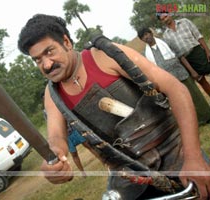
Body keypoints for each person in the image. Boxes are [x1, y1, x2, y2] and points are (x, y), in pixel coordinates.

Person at [17, 14, 210, 199]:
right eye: (37, 60)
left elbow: (176, 89)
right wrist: (54, 162)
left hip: (176, 153)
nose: (46, 64)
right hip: (131, 180)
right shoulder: (53, 96)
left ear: (66, 42)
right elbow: (57, 138)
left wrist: (193, 157)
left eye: (49, 52)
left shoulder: (105, 56)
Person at [137, 27, 210, 125]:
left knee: (195, 95)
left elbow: (181, 56)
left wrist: (192, 71)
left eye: (146, 34)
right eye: (143, 37)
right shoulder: (145, 54)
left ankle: (207, 116)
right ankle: (195, 122)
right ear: (142, 40)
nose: (146, 37)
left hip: (181, 73)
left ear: (151, 33)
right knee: (182, 102)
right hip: (168, 82)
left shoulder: (166, 41)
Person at [157, 12, 210, 96]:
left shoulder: (184, 22)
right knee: (202, 81)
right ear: (161, 22)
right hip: (186, 60)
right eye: (162, 19)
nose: (165, 19)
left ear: (170, 14)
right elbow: (176, 53)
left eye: (166, 16)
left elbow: (198, 36)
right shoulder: (166, 36)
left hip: (197, 52)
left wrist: (208, 51)